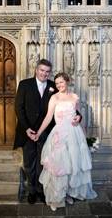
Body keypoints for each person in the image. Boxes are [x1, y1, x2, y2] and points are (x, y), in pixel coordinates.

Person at [14, 59, 82, 205]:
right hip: (27, 131)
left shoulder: (53, 85)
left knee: (44, 163)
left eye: (47, 71)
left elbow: (67, 104)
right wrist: (27, 128)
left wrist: (79, 116)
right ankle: (32, 191)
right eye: (42, 70)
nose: (44, 73)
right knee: (29, 163)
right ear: (36, 70)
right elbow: (19, 109)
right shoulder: (24, 84)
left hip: (46, 132)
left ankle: (42, 191)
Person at [34, 73, 97, 211]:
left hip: (74, 134)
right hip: (60, 134)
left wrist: (79, 120)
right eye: (56, 83)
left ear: (67, 81)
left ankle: (69, 192)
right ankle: (56, 197)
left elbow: (78, 115)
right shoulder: (54, 98)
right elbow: (48, 117)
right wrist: (38, 132)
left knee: (73, 164)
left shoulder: (74, 97)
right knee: (59, 165)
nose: (59, 86)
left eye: (61, 82)